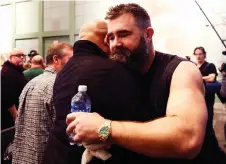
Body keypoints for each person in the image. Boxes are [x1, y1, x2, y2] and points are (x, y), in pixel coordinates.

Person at [66, 3, 226, 163]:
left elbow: (187, 139)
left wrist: (105, 129)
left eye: (123, 34)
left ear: (148, 34)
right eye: (111, 37)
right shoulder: (120, 73)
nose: (116, 44)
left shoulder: (181, 70)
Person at [43, 20, 147, 164]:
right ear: (107, 40)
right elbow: (126, 123)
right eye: (113, 38)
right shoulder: (114, 70)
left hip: (57, 152)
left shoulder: (63, 71)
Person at [12, 42, 73, 164]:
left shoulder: (30, 83)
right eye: (71, 59)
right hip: (43, 157)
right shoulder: (59, 85)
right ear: (56, 59)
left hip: (22, 156)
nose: (74, 64)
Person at [1, 49, 27, 130]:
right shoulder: (8, 72)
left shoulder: (17, 70)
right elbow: (8, 97)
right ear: (11, 57)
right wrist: (15, 115)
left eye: (23, 55)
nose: (22, 57)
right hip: (9, 115)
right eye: (19, 56)